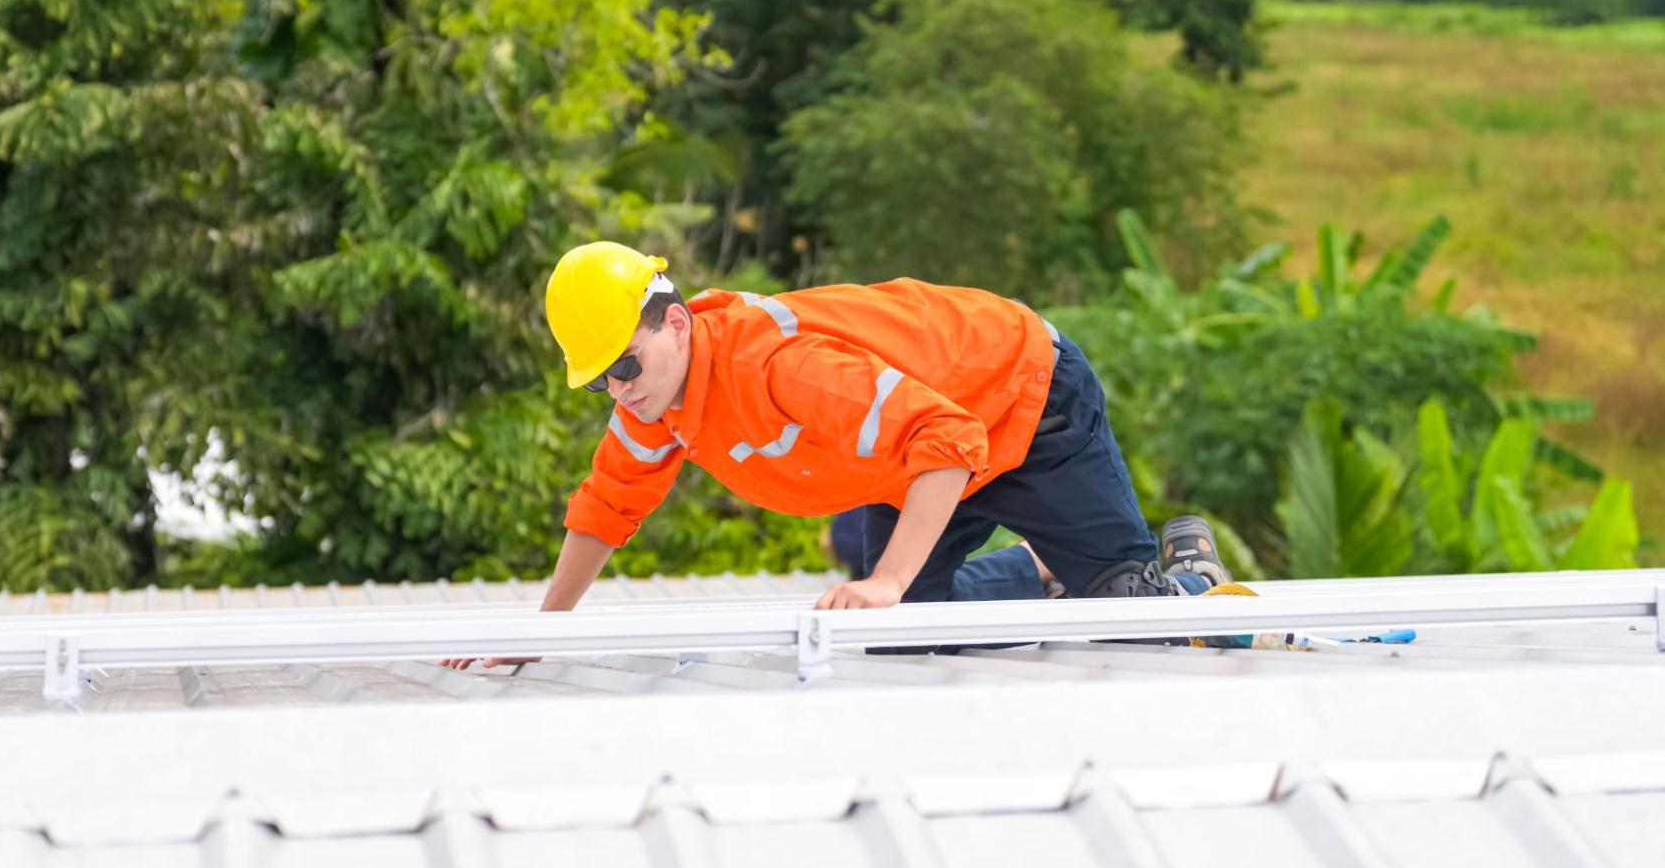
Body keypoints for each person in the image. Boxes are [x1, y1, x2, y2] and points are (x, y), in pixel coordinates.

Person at [442, 242, 1235, 668]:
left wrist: (885, 578)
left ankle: (1185, 564)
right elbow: (607, 505)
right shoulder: (661, 402)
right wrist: (543, 631)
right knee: (903, 634)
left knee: (1133, 615)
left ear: (677, 325)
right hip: (917, 455)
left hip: (1023, 397)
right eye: (599, 381)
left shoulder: (776, 366)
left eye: (625, 365)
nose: (618, 390)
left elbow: (950, 438)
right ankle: (1040, 565)